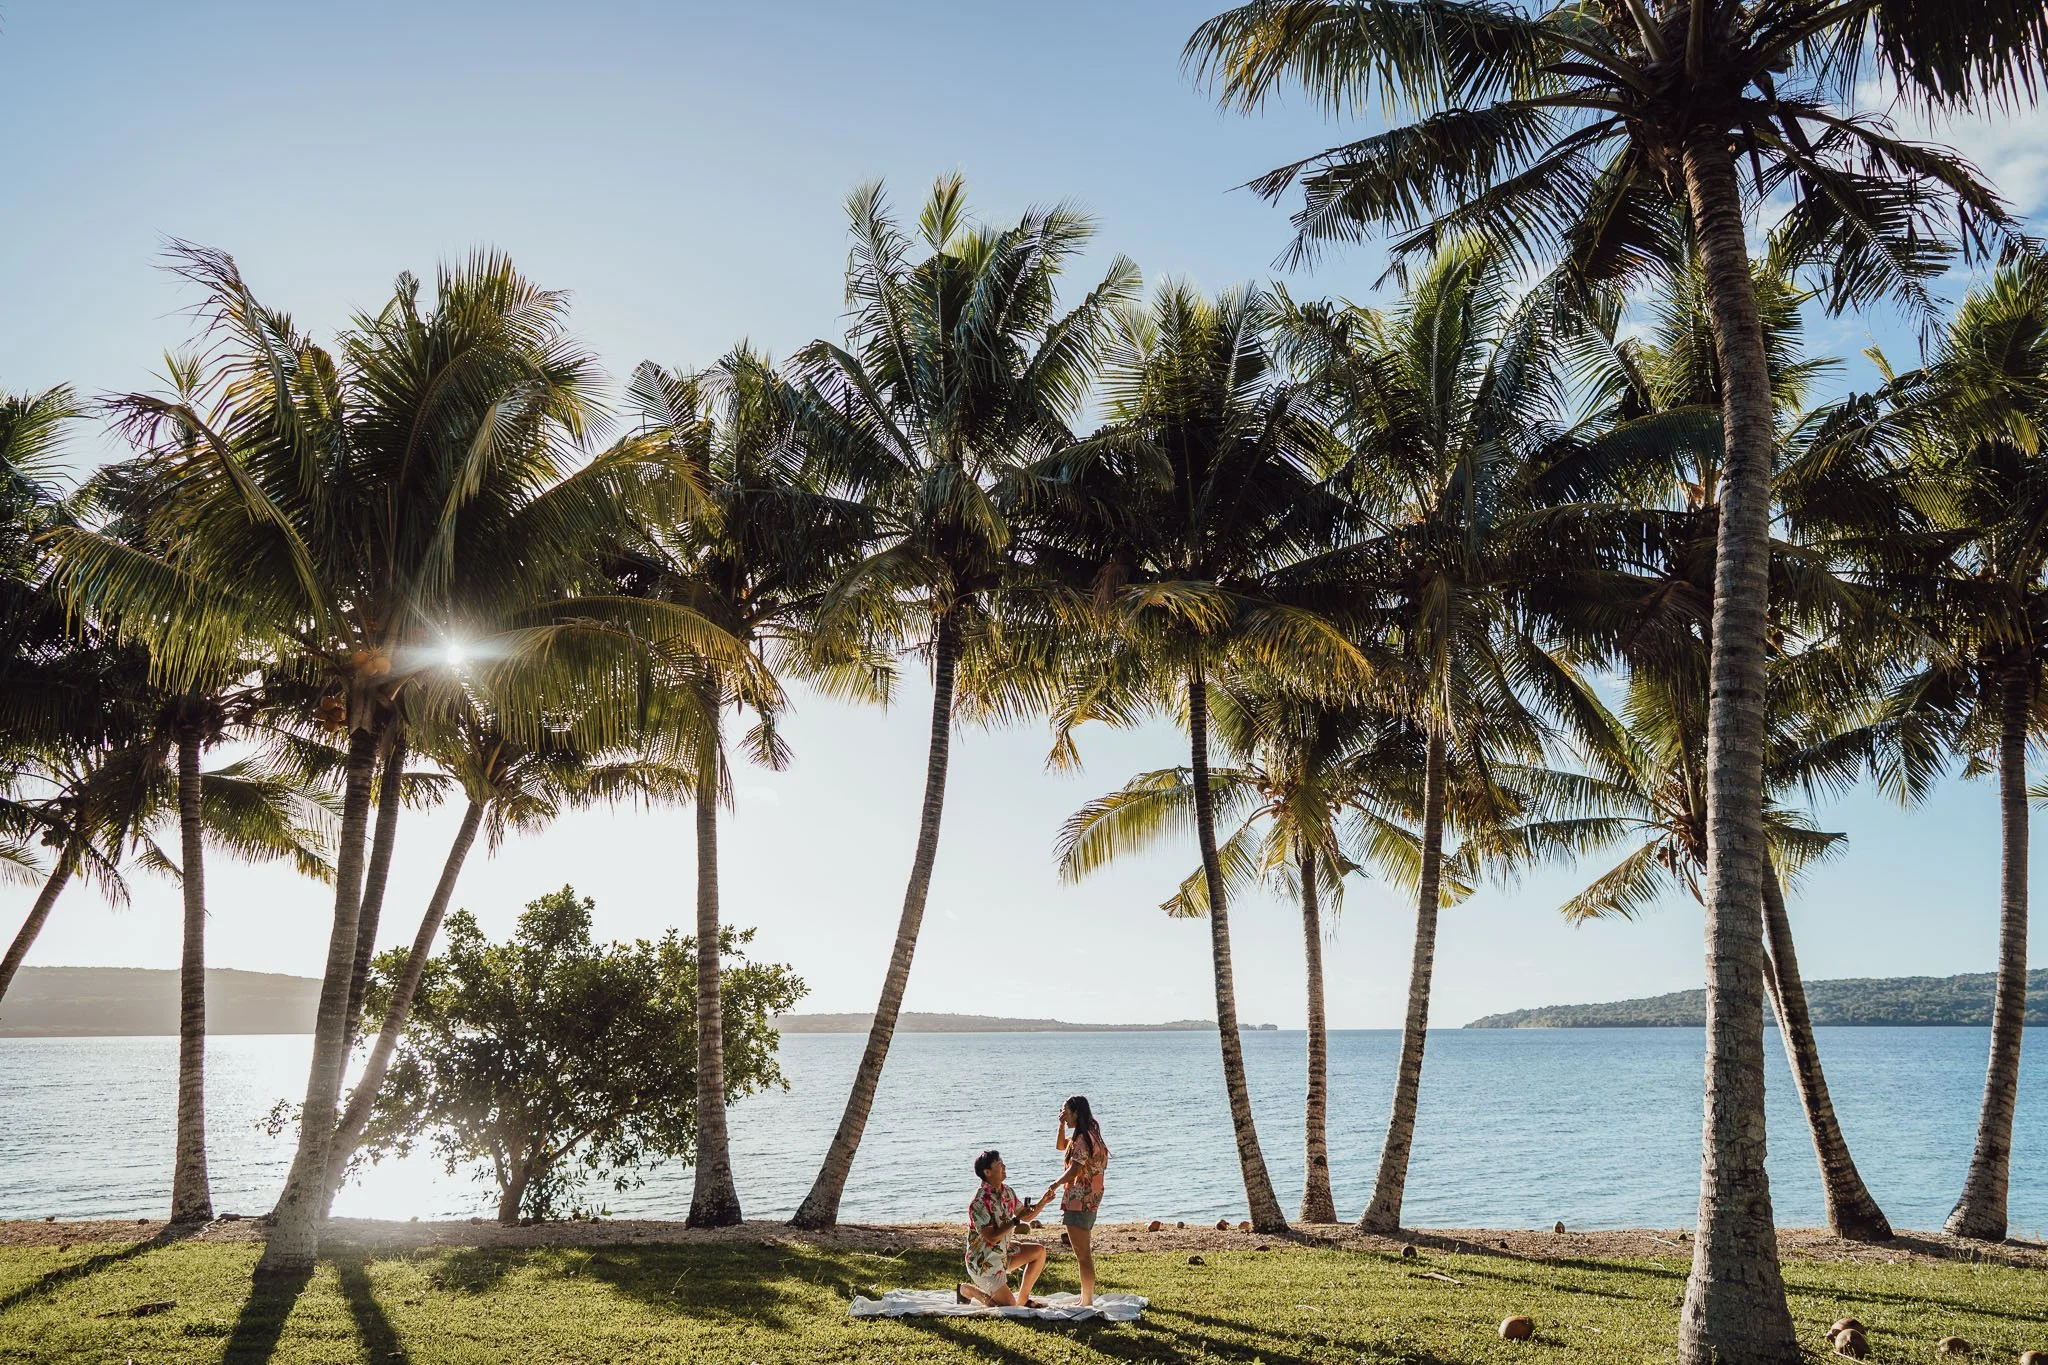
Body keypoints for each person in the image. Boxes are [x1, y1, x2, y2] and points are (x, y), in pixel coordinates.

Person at [958, 1149, 1052, 1307]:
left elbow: (1025, 1216)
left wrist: (1043, 1202)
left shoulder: (1007, 1191)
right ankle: (967, 1290)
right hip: (983, 1264)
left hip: (1002, 1254)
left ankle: (1023, 1299)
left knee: (1039, 1251)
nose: (1004, 1166)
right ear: (987, 1172)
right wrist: (1016, 1221)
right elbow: (991, 1237)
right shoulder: (979, 1202)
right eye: (999, 1164)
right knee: (1007, 1307)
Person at [1047, 1095, 1110, 1305]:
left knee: (1083, 1255)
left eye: (1066, 1111)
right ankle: (1086, 1297)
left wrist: (1054, 1184)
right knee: (1084, 1253)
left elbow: (1074, 1170)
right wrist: (1061, 1124)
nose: (1063, 1113)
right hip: (1090, 1198)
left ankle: (1087, 1300)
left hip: (1079, 1200)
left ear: (1076, 1112)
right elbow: (1060, 1147)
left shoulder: (1083, 1139)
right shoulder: (1090, 1135)